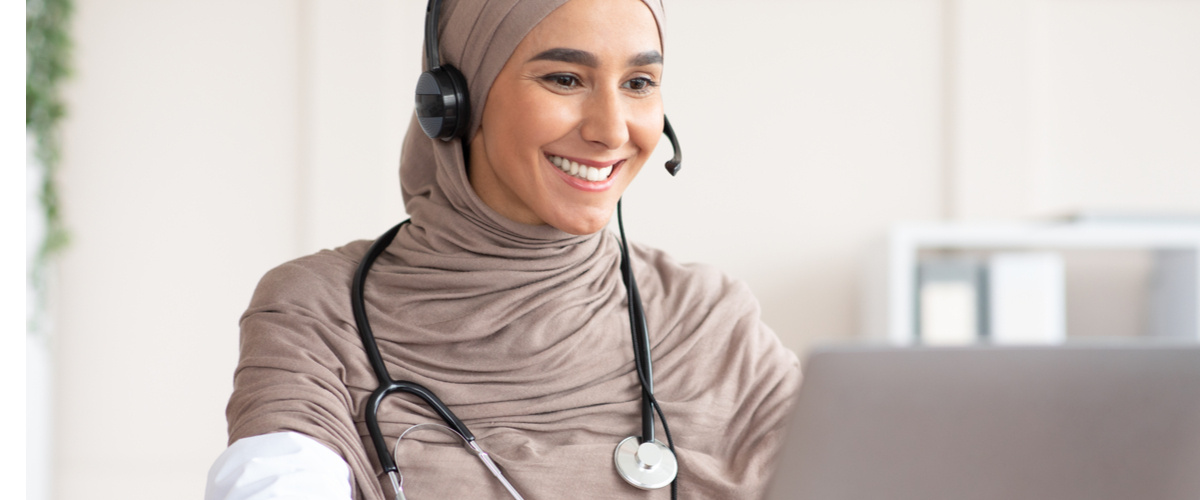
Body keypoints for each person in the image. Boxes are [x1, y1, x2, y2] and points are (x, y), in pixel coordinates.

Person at [206, 0, 800, 498]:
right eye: (565, 79)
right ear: (452, 102)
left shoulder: (708, 317)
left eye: (639, 84)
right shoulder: (316, 311)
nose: (613, 130)